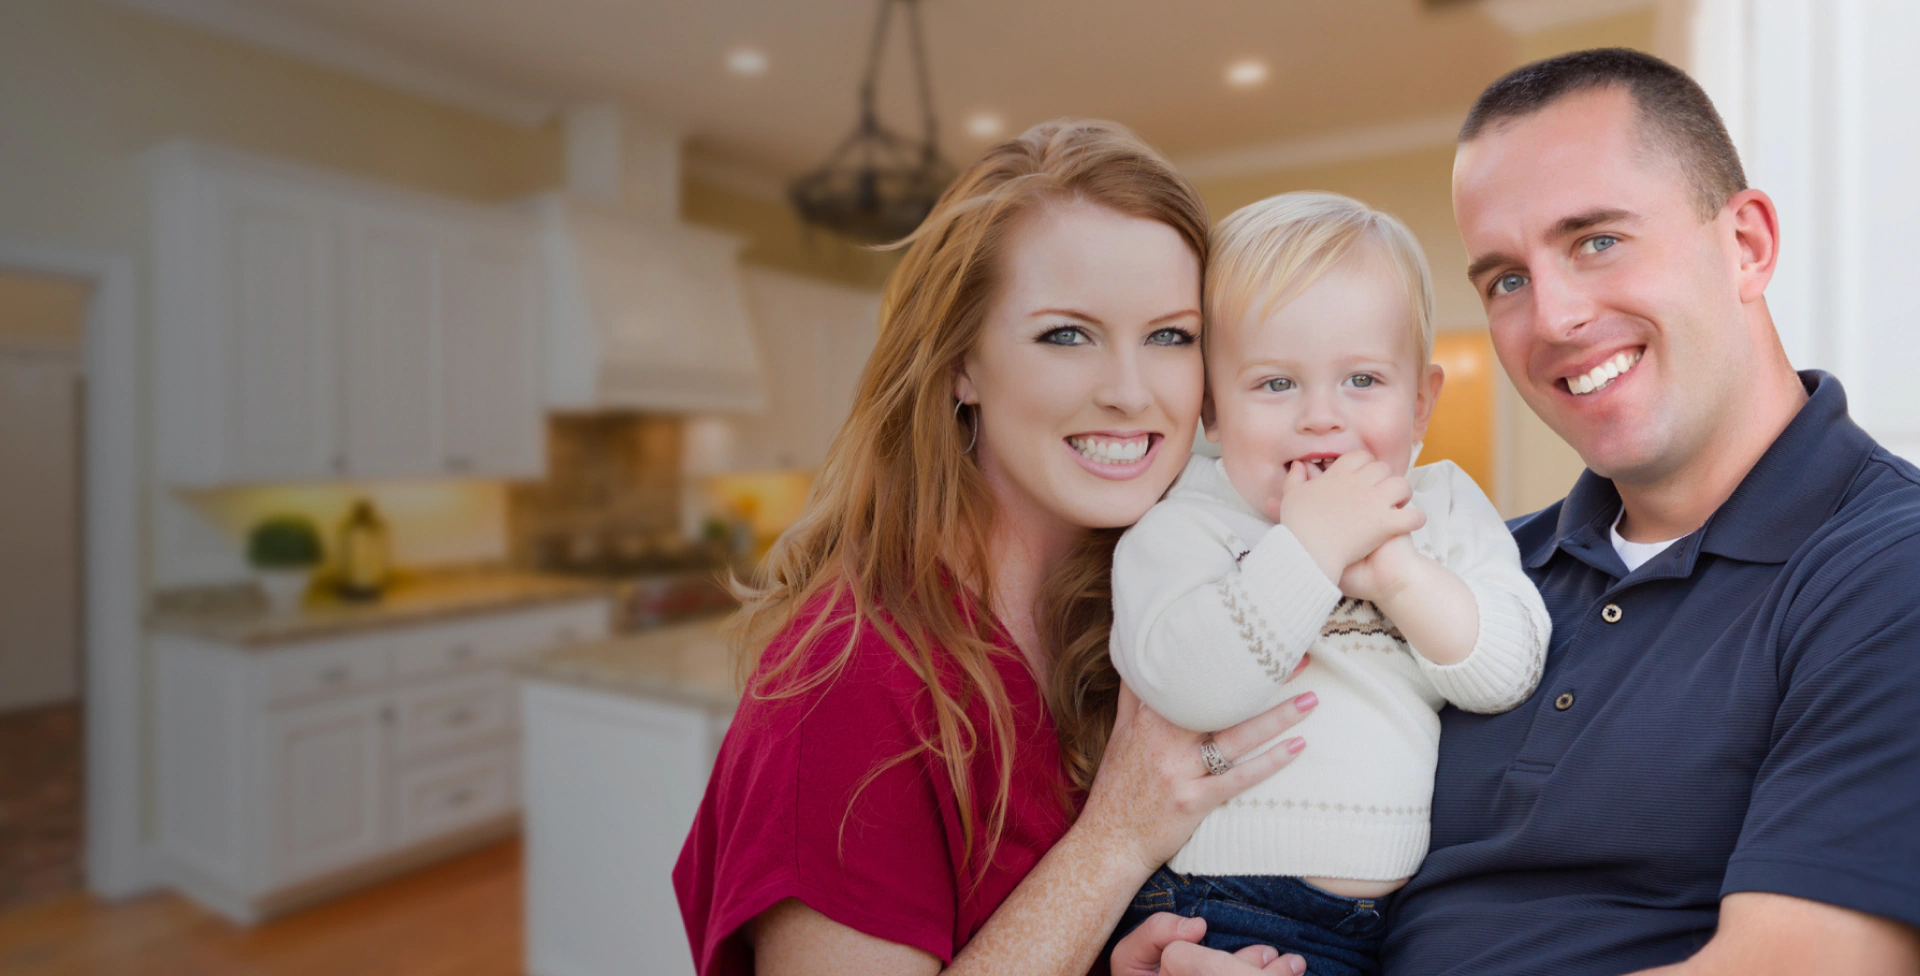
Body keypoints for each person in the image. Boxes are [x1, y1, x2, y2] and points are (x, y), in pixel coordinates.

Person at [673, 119, 1318, 976]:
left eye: (1170, 335)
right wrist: (1115, 841)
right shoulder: (846, 686)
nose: (1131, 393)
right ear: (958, 365)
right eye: (1066, 334)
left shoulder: (1157, 614)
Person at [1376, 49, 1920, 973]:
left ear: (1746, 245)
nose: (1552, 319)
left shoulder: (1887, 568)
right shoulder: (1473, 576)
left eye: (1596, 240)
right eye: (1505, 279)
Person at [1105, 192, 1551, 975]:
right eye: (1275, 385)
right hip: (1217, 904)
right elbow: (1188, 685)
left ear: (1420, 407)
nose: (1321, 417)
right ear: (1212, 410)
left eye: (1363, 381)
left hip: (1401, 920)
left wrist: (1399, 576)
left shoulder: (1440, 509)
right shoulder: (1187, 522)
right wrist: (1308, 551)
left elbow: (1509, 669)